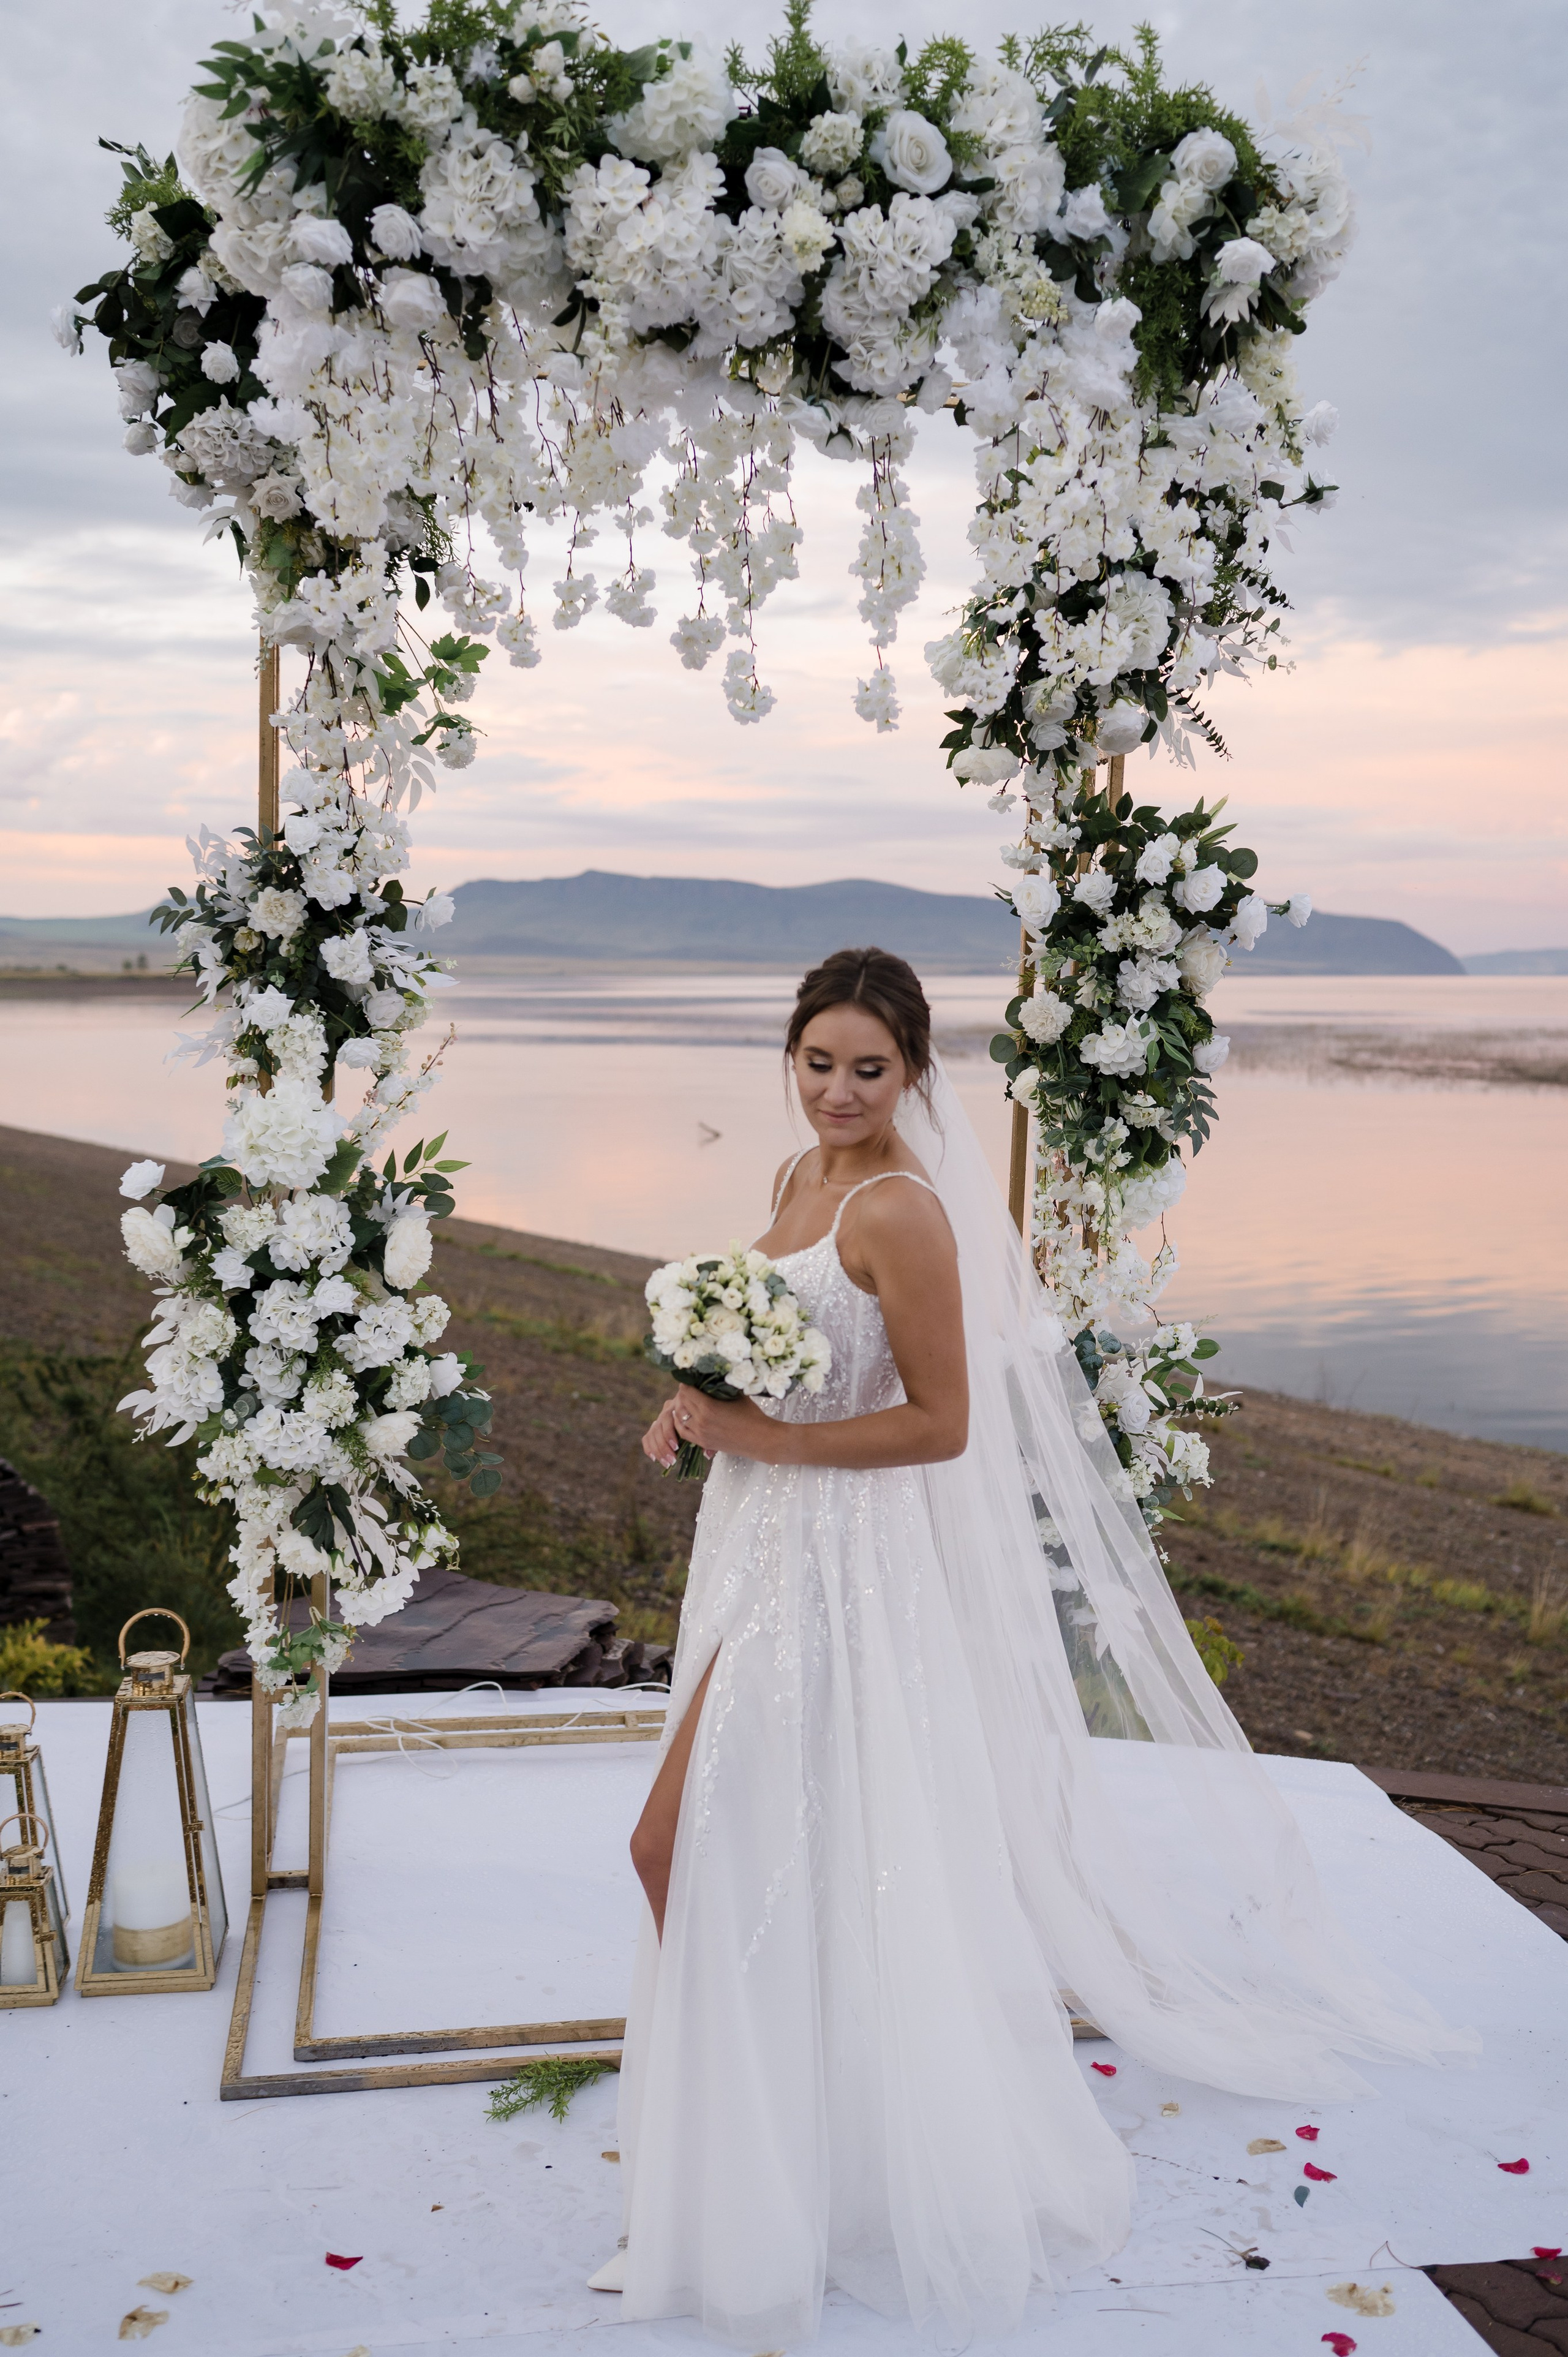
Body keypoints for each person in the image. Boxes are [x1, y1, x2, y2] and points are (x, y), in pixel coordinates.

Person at [594, 946, 1473, 2349]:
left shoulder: (903, 1211)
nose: (835, 1089)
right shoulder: (790, 1182)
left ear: (914, 1074)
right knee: (723, 1841)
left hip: (841, 1565)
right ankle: (755, 2141)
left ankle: (797, 2158)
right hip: (753, 1545)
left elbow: (939, 1424)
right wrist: (688, 1398)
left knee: (714, 1842)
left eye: (865, 1068)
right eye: (815, 1061)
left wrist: (763, 1437)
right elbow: (775, 1343)